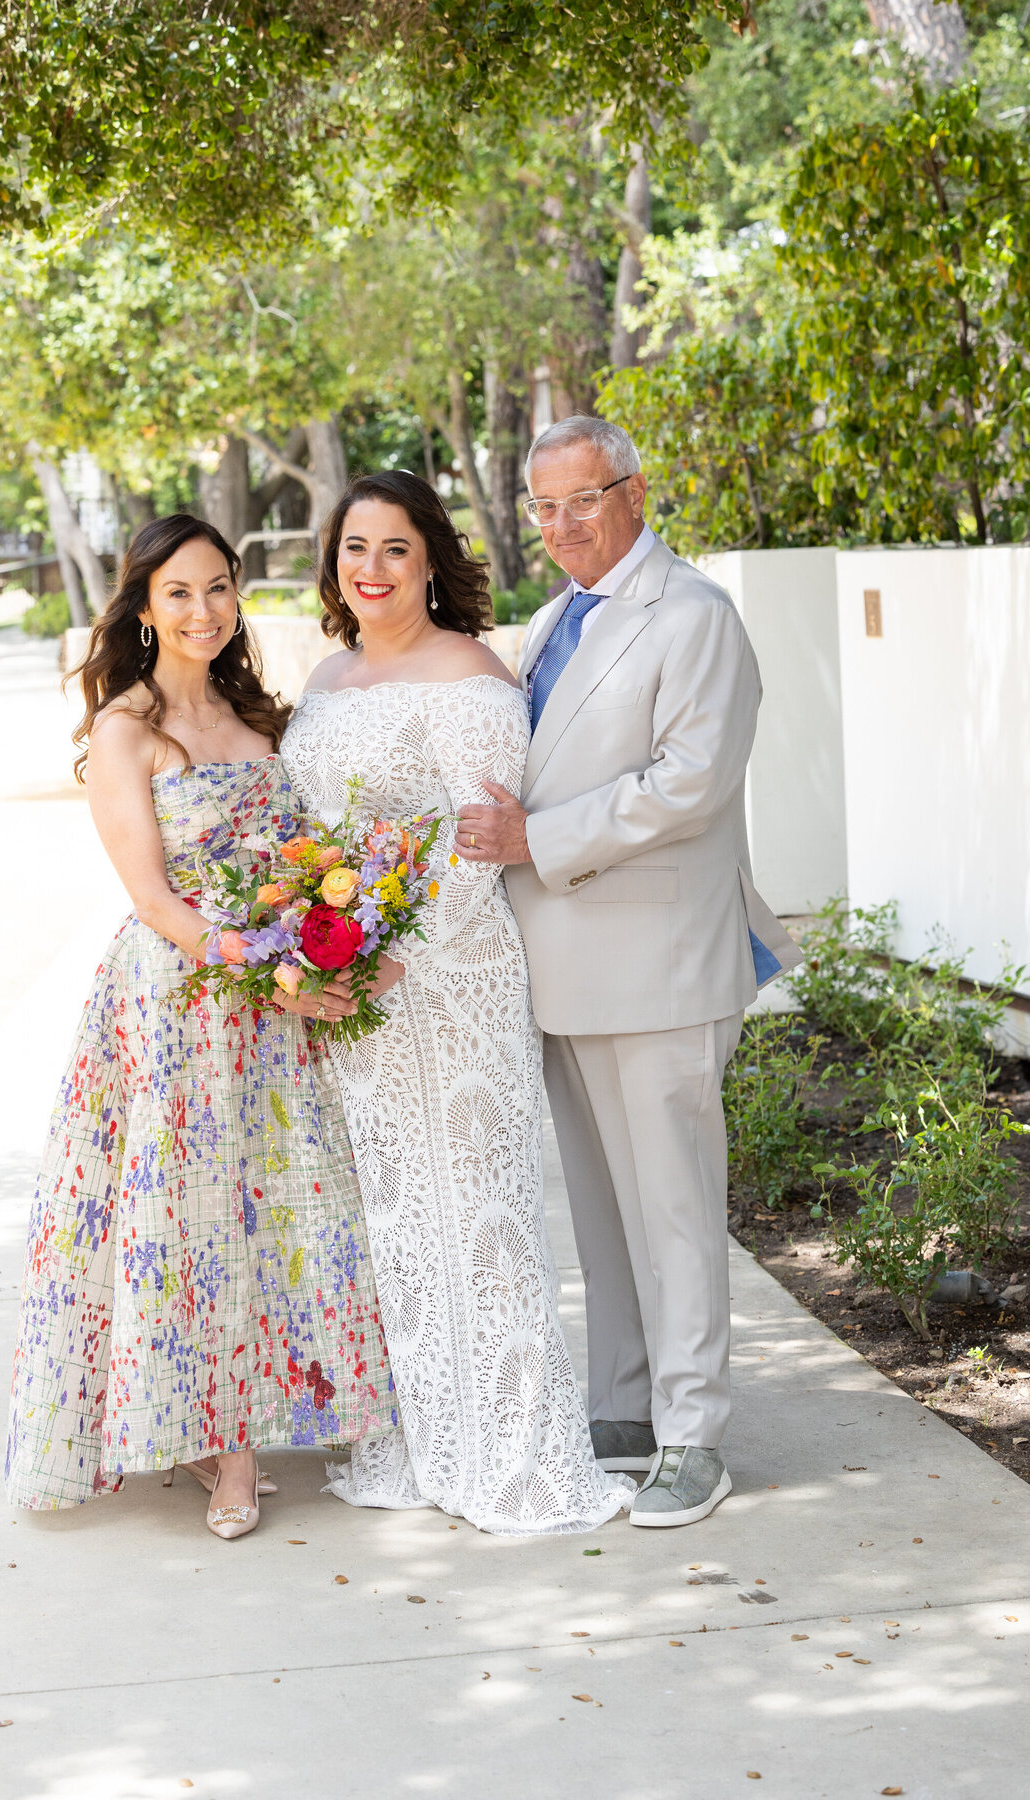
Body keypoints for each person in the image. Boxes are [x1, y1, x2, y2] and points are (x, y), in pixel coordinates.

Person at [6, 514, 396, 1539]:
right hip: (177, 1009)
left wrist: (322, 955)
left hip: (274, 1016)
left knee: (269, 1217)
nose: (202, 610)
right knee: (186, 1225)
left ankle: (255, 1413)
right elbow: (155, 899)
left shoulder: (263, 719)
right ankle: (226, 1454)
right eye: (178, 592)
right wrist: (270, 970)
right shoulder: (125, 730)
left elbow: (307, 860)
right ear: (143, 604)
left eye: (219, 587)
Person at [455, 416, 800, 1528]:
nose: (561, 527)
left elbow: (690, 783)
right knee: (601, 1212)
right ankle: (621, 1406)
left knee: (676, 1211)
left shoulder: (693, 615)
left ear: (635, 493)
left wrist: (535, 844)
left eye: (583, 501)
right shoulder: (553, 621)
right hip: (558, 963)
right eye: (542, 509)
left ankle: (694, 1435)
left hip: (657, 959)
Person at [281, 470, 628, 1535]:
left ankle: (517, 1459)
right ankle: (426, 1444)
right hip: (354, 997)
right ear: (333, 563)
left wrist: (397, 954)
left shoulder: (471, 674)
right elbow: (308, 839)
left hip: (451, 979)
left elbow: (478, 846)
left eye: (395, 548)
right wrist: (320, 956)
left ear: (431, 558)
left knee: (480, 1215)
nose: (372, 570)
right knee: (391, 1217)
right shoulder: (326, 678)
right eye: (355, 549)